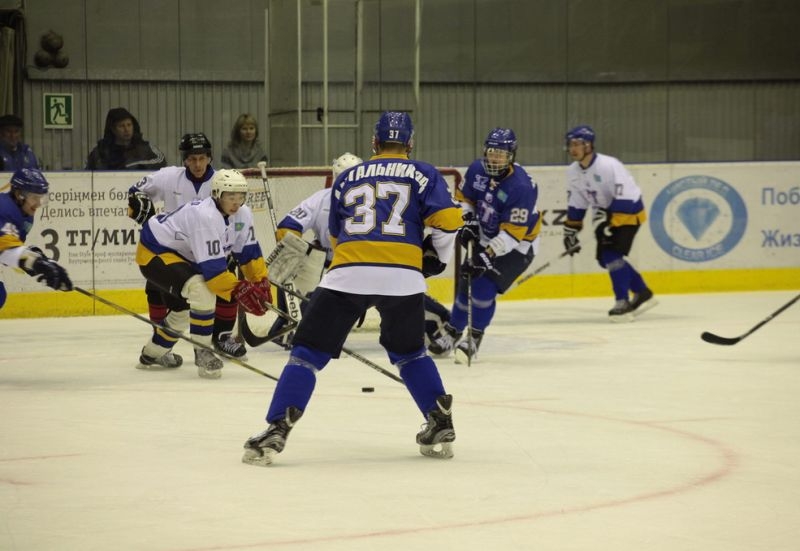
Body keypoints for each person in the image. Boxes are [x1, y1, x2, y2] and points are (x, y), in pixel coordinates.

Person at [242, 111, 463, 466]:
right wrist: (435, 258)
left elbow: (335, 235)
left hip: (349, 274)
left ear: (374, 142)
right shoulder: (424, 172)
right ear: (410, 143)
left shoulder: (347, 178)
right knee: (410, 353)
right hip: (403, 278)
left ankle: (277, 427)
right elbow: (450, 222)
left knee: (306, 353)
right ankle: (439, 420)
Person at [265, 152, 452, 346]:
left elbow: (287, 228)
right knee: (397, 294)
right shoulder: (379, 197)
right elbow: (288, 227)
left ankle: (294, 325)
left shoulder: (325, 198)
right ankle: (439, 328)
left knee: (295, 262)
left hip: (343, 270)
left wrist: (296, 251)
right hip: (363, 265)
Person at [135, 169, 273, 379]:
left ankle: (151, 354)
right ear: (217, 194)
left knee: (181, 314)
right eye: (230, 196)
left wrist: (261, 281)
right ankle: (203, 352)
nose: (236, 202)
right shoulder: (205, 216)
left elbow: (248, 252)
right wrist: (240, 290)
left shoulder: (243, 214)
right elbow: (214, 274)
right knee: (201, 289)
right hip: (155, 251)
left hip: (184, 255)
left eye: (240, 196)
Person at [127, 133, 250, 363]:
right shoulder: (168, 177)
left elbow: (237, 216)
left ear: (209, 158)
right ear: (184, 159)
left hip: (209, 249)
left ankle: (221, 338)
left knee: (223, 281)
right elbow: (135, 191)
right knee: (159, 291)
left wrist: (230, 248)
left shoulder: (223, 182)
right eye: (192, 159)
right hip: (173, 250)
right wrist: (137, 204)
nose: (197, 164)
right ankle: (161, 346)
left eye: (202, 158)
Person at [427, 128, 541, 363]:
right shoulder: (477, 170)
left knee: (483, 287)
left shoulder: (521, 187)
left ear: (511, 156)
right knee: (466, 283)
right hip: (486, 234)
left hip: (518, 246)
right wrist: (468, 219)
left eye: (501, 154)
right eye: (491, 152)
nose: (495, 158)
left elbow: (512, 234)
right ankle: (453, 332)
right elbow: (465, 199)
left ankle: (474, 337)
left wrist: (487, 255)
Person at [562, 125, 656, 321]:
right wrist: (571, 231)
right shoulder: (573, 171)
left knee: (611, 255)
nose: (573, 149)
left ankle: (622, 302)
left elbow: (627, 195)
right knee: (604, 259)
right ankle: (641, 291)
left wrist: (610, 223)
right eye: (571, 144)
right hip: (604, 215)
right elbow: (577, 202)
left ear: (589, 145)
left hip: (629, 213)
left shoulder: (608, 165)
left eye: (577, 144)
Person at [0, 169, 72, 309]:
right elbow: (5, 250)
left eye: (41, 197)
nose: (38, 203)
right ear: (19, 194)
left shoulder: (26, 216)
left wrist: (35, 259)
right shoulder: (3, 208)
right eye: (34, 197)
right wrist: (34, 262)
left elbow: (8, 252)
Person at [86, 107, 167, 170]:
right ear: (113, 129)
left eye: (129, 125)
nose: (126, 129)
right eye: (121, 126)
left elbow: (161, 161)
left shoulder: (145, 147)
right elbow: (87, 173)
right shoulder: (100, 152)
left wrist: (134, 165)